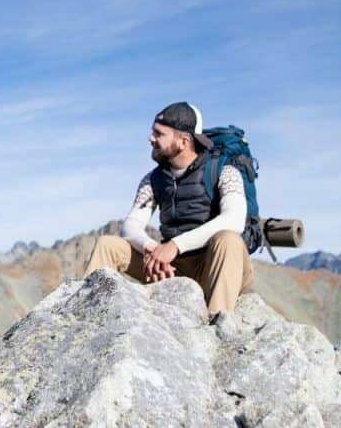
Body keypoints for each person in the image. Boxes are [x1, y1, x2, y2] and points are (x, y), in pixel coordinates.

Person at [83, 102, 253, 314]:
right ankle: (85, 317)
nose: (150, 138)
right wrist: (152, 249)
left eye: (159, 133)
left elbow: (234, 220)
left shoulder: (225, 171)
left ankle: (218, 323)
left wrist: (174, 246)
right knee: (107, 244)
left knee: (228, 240)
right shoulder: (153, 179)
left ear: (183, 141)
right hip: (171, 267)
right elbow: (130, 227)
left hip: (214, 265)